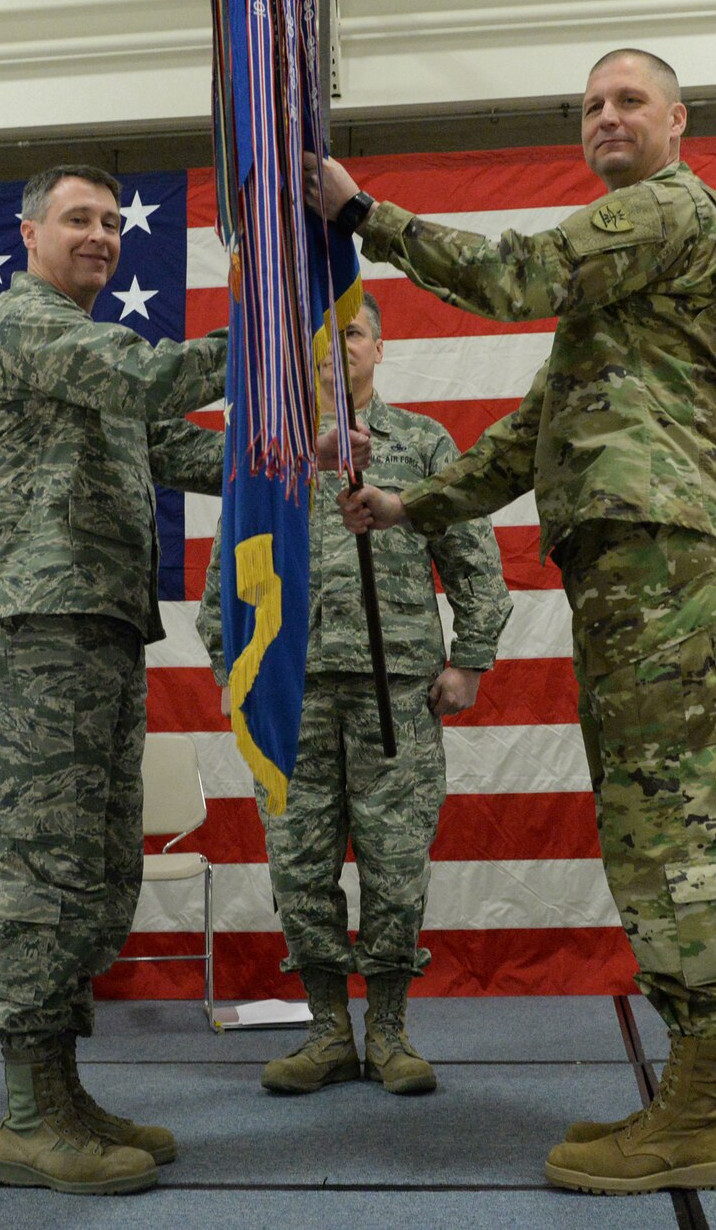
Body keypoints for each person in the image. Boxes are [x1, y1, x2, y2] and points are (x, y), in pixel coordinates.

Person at [317, 48, 716, 1195]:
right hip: (629, 557)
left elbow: (516, 274)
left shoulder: (671, 210)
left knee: (668, 822)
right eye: (590, 107)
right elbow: (529, 436)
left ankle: (705, 1104)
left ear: (675, 120)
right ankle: (692, 1092)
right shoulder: (621, 298)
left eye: (627, 101)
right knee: (641, 818)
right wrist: (411, 503)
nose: (605, 117)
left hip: (660, 551)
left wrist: (367, 216)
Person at [0, 164, 365, 1195]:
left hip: (93, 624)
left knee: (95, 869)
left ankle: (60, 1091)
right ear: (29, 233)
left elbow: (174, 449)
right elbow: (146, 383)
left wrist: (288, 453)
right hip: (34, 627)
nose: (98, 235)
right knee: (48, 872)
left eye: (109, 221)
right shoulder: (26, 323)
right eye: (76, 219)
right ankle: (24, 1115)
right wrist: (267, 348)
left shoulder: (80, 351)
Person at [197, 291, 510, 1099]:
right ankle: (330, 1030)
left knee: (396, 867)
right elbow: (223, 581)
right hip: (291, 697)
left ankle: (391, 1030)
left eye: (355, 333)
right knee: (299, 869)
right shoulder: (269, 454)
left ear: (380, 347)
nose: (339, 350)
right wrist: (241, 675)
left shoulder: (421, 442)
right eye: (323, 339)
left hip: (395, 692)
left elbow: (474, 555)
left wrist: (468, 661)